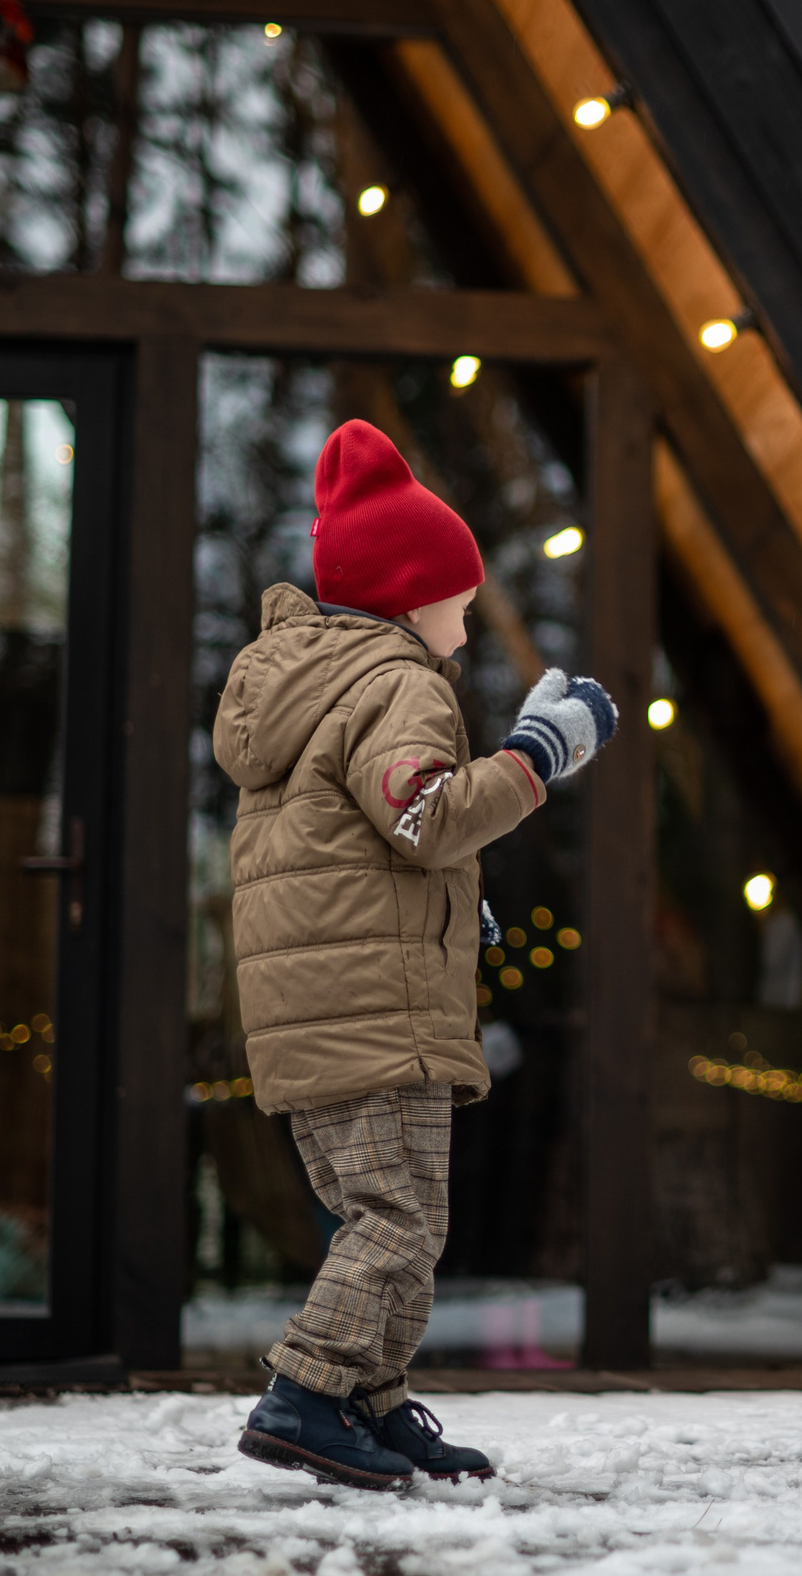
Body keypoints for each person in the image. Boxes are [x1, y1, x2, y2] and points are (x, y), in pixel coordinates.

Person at [215, 419, 617, 1489]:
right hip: (372, 1013)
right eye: (457, 592)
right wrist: (541, 752)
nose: (469, 610)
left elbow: (349, 849)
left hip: (318, 1007)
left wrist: (451, 907)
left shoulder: (299, 686)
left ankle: (368, 1399)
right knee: (399, 1220)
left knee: (385, 1216)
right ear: (406, 591)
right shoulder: (396, 681)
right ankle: (304, 1393)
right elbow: (427, 816)